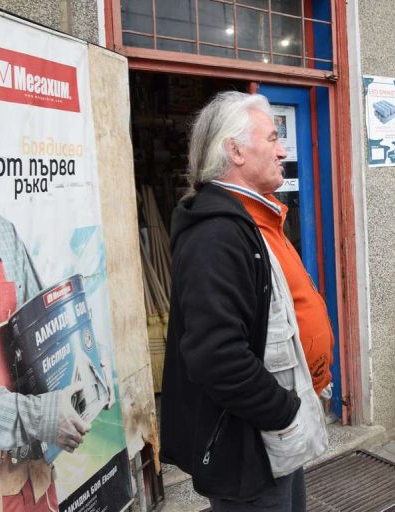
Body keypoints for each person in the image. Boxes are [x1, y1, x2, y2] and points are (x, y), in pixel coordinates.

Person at [161, 91, 329, 512]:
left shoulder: (253, 219)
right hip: (251, 448)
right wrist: (285, 412)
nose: (282, 150)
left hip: (274, 439)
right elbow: (217, 357)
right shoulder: (216, 233)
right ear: (235, 151)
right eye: (272, 138)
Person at [0, 73, 91, 511]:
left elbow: (45, 339)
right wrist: (45, 416)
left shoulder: (1, 232)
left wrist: (79, 387)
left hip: (32, 478)